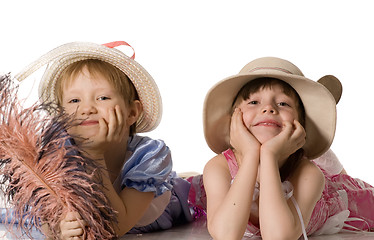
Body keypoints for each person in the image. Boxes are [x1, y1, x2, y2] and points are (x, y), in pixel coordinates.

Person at [12, 41, 194, 239]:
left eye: (103, 98)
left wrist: (94, 156)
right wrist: (60, 229)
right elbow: (45, 215)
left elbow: (116, 227)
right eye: (74, 101)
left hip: (148, 211)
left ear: (132, 112)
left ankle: (184, 178)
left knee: (193, 186)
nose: (87, 108)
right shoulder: (59, 154)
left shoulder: (149, 156)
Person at [202, 57, 374, 240]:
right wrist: (252, 154)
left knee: (344, 181)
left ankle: (326, 157)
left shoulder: (308, 173)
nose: (268, 108)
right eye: (253, 102)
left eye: (283, 103)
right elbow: (225, 235)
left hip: (336, 195)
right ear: (234, 118)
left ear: (300, 122)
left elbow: (278, 236)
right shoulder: (218, 168)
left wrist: (268, 155)